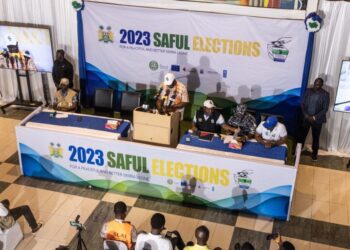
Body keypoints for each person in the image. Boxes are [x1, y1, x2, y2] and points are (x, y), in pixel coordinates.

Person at [298, 77, 330, 161]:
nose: (317, 85)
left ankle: (314, 154)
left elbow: (325, 108)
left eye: (319, 84)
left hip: (317, 120)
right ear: (314, 82)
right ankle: (298, 151)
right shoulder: (308, 91)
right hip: (306, 118)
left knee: (316, 137)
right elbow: (302, 103)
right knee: (302, 136)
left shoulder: (325, 94)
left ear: (322, 85)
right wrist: (306, 115)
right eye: (316, 83)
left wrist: (314, 117)